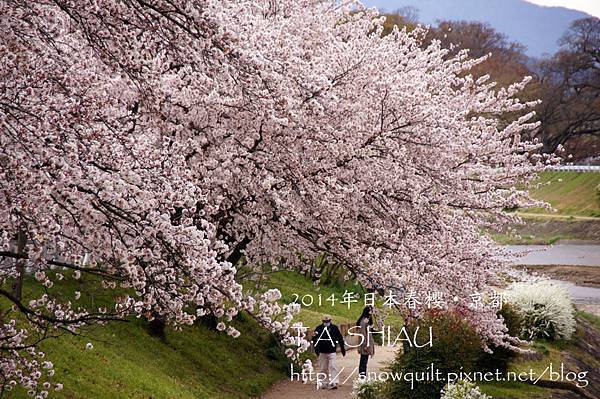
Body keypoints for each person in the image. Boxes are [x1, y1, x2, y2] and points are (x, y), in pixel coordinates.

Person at [312, 314, 346, 389]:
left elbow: (340, 338)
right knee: (323, 368)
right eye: (325, 321)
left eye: (327, 321)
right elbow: (314, 339)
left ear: (330, 321)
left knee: (333, 366)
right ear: (322, 321)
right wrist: (316, 349)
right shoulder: (319, 329)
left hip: (332, 351)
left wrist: (342, 348)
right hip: (322, 351)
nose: (326, 322)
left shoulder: (334, 328)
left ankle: (334, 382)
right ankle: (324, 382)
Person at [356, 306, 375, 377]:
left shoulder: (365, 320)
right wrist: (365, 345)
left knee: (364, 360)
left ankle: (363, 374)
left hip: (366, 343)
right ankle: (362, 375)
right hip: (365, 345)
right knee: (363, 360)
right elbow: (363, 334)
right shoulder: (364, 321)